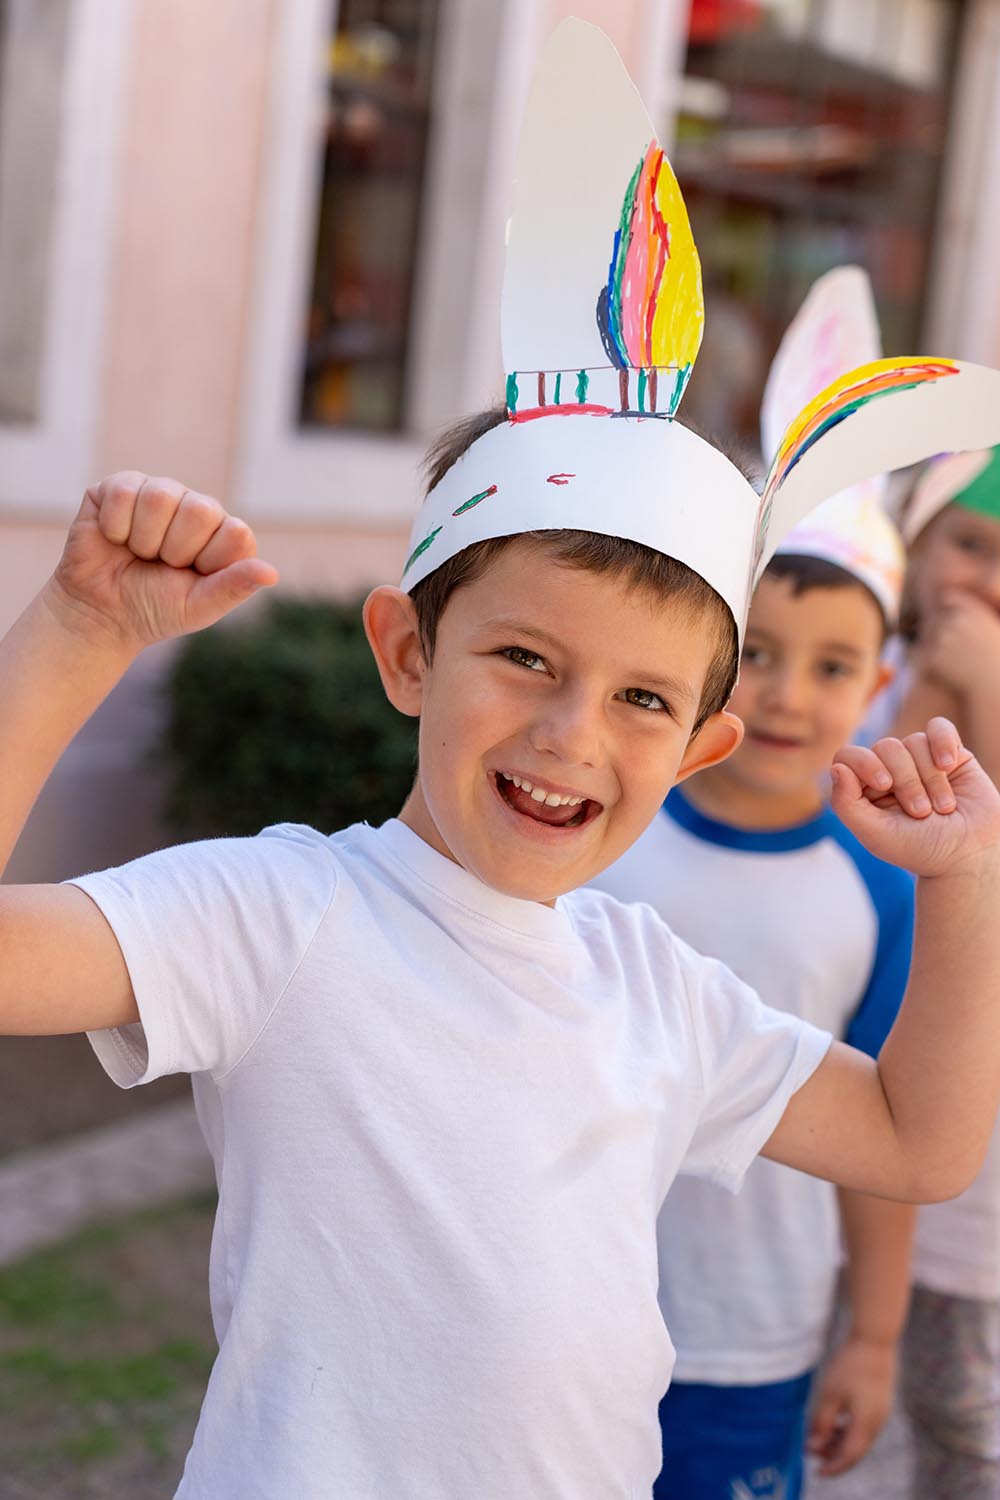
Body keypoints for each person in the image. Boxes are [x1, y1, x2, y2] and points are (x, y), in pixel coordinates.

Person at [3, 21, 1000, 1500]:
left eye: (643, 699)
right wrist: (76, 636)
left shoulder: (660, 990)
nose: (568, 732)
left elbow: (921, 1144)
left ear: (702, 747)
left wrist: (968, 881)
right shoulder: (279, 918)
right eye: (525, 658)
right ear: (408, 652)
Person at [591, 264, 916, 1500]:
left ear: (877, 683)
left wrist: (871, 1336)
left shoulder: (883, 888)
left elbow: (893, 1129)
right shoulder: (606, 829)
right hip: (569, 1302)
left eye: (832, 667)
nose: (786, 694)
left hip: (750, 1342)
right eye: (760, 653)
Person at [871, 446, 1000, 1498]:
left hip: (971, 1196)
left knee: (961, 1421)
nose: (988, 581)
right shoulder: (854, 671)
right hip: (845, 1139)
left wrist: (986, 692)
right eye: (969, 544)